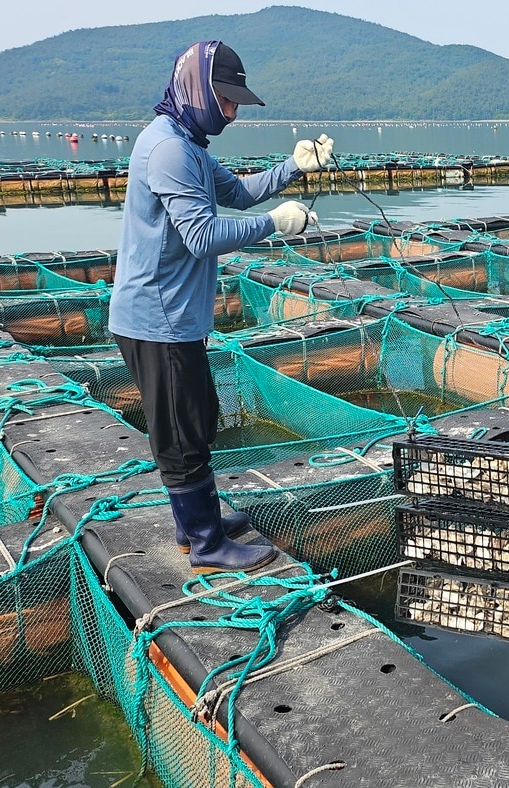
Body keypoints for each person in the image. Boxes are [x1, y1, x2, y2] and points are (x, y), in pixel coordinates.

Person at [110, 40, 336, 575]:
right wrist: (275, 224)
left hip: (174, 318)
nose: (231, 112)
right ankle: (207, 544)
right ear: (195, 88)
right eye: (226, 99)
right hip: (157, 319)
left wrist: (291, 168)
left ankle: (198, 523)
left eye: (236, 102)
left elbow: (235, 193)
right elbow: (200, 234)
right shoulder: (168, 150)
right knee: (182, 432)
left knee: (196, 416)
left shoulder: (187, 144)